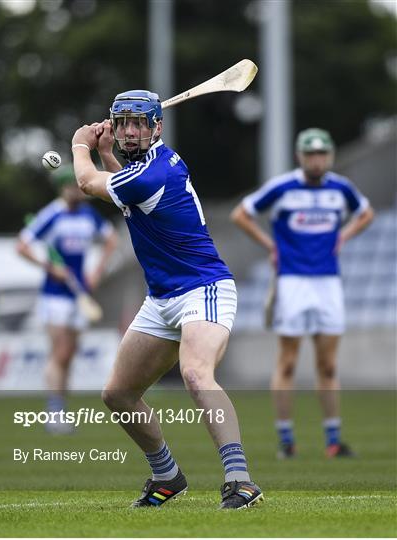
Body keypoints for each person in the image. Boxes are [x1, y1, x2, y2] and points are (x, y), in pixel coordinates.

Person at [70, 90, 264, 509]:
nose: (131, 130)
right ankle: (167, 475)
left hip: (203, 287)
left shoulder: (154, 172)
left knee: (196, 375)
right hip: (161, 299)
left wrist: (80, 144)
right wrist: (106, 153)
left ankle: (240, 480)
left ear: (157, 126)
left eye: (140, 122)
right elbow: (126, 198)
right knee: (117, 394)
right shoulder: (141, 170)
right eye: (123, 123)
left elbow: (87, 184)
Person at [230, 128, 374, 459]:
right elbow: (241, 214)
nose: (317, 159)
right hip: (292, 281)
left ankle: (334, 440)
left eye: (322, 153)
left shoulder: (340, 189)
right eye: (311, 154)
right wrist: (271, 246)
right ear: (300, 156)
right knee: (288, 361)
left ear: (330, 156)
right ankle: (286, 440)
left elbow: (366, 213)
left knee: (327, 365)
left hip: (328, 283)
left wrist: (344, 236)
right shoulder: (283, 187)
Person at [17, 165, 118, 432]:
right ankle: (54, 411)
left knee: (69, 354)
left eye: (78, 186)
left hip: (79, 293)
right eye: (71, 186)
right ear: (63, 189)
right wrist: (50, 268)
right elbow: (22, 245)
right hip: (54, 295)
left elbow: (111, 240)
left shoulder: (89, 215)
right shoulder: (51, 215)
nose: (76, 190)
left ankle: (60, 409)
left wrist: (97, 271)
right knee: (60, 352)